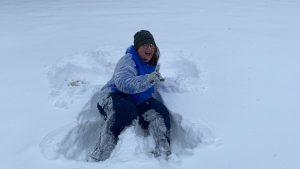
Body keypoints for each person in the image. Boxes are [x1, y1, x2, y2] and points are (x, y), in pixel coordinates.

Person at [89, 30, 171, 161]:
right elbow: (123, 83)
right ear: (137, 48)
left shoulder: (153, 63)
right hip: (113, 96)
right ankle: (100, 155)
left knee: (160, 111)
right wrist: (149, 79)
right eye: (144, 45)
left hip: (137, 101)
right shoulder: (128, 60)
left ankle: (162, 152)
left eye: (151, 45)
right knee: (126, 111)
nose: (149, 48)